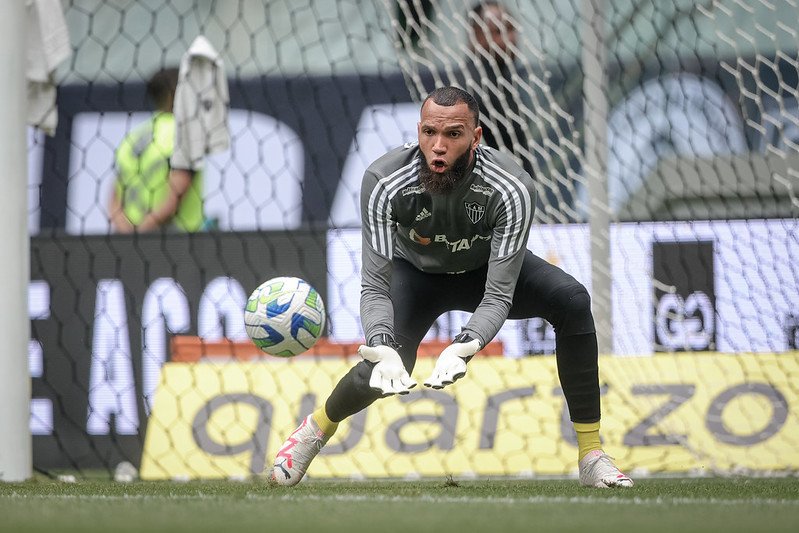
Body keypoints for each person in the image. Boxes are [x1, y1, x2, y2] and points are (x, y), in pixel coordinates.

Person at [270, 86, 633, 489]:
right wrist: (381, 343)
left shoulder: (512, 187)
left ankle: (591, 455)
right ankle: (314, 430)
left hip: (483, 273)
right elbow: (374, 286)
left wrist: (466, 343)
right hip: (415, 276)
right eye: (429, 132)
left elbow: (498, 294)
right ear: (419, 131)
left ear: (476, 138)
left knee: (572, 300)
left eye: (453, 134)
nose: (438, 146)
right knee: (382, 368)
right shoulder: (383, 180)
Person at [109, 67, 205, 233]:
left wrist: (128, 235)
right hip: (175, 238)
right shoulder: (185, 135)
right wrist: (143, 232)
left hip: (125, 237)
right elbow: (174, 199)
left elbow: (114, 199)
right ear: (173, 95)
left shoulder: (132, 137)